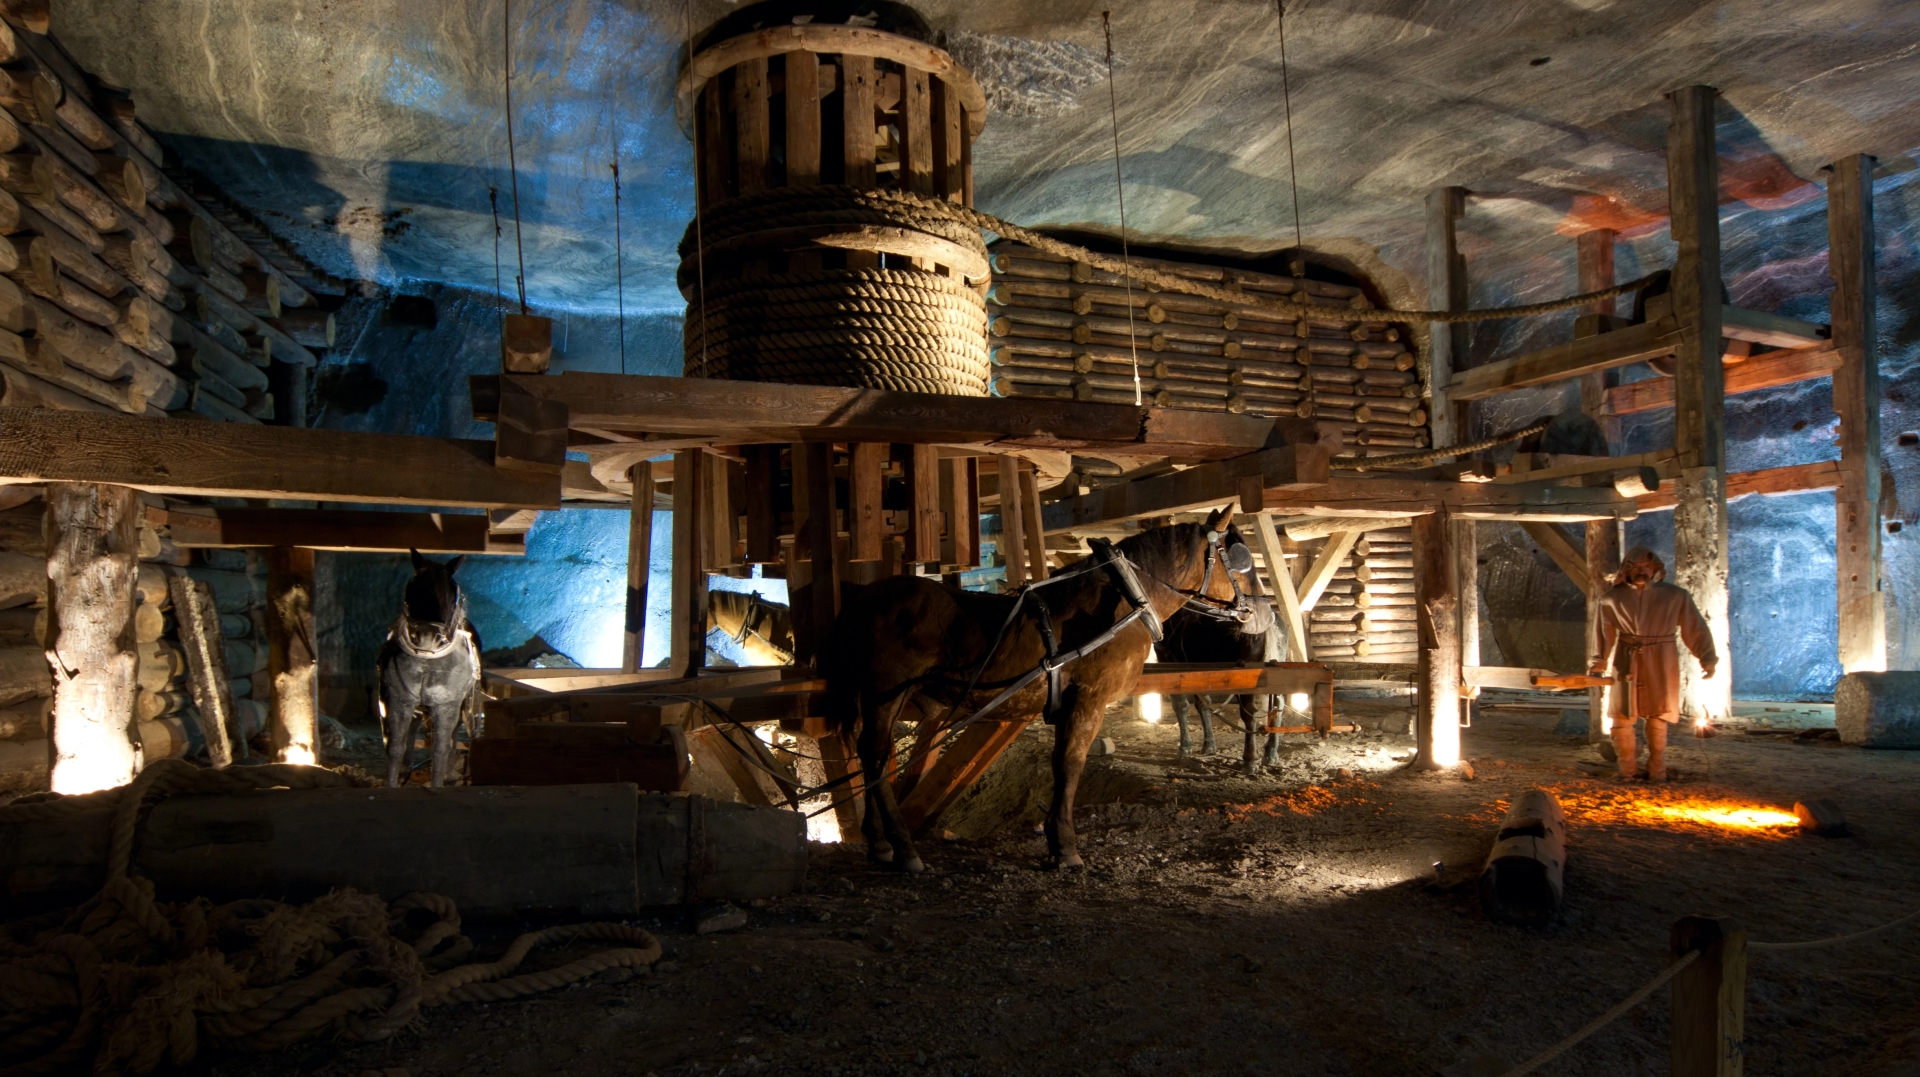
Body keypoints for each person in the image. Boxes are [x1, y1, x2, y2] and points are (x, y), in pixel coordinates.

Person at [1589, 546, 1717, 782]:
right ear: (1626, 570)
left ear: (1655, 568)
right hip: (1627, 658)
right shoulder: (1611, 599)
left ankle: (1657, 767)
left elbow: (1695, 629)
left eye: (1646, 567)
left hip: (1661, 658)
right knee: (1621, 714)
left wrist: (1707, 658)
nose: (1641, 571)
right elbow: (1602, 634)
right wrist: (1598, 663)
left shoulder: (1676, 596)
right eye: (1635, 567)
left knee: (1659, 713)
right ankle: (1626, 769)